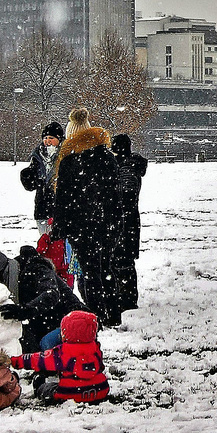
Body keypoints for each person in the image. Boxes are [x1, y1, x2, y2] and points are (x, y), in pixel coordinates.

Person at [52, 109, 131, 325]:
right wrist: (116, 223)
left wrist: (59, 227)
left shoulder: (69, 162)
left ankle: (95, 316)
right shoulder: (107, 157)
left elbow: (63, 199)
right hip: (108, 224)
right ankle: (113, 315)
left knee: (89, 272)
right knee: (106, 269)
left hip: (81, 226)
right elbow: (116, 196)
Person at [11, 309, 109, 405]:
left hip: (71, 393)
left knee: (46, 388)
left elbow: (38, 359)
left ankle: (39, 386)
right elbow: (100, 367)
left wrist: (16, 361)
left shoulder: (62, 352)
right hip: (100, 389)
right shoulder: (96, 348)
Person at [0, 245, 86, 353]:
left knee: (46, 345)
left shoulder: (39, 271)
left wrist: (24, 311)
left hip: (77, 323)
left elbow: (50, 295)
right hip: (62, 320)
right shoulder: (29, 272)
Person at [103, 133, 147, 327]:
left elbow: (125, 193)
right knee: (122, 261)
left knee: (121, 261)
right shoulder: (131, 166)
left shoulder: (125, 166)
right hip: (127, 221)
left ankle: (126, 300)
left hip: (122, 221)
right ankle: (125, 298)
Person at [19, 120, 64, 224]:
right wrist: (27, 176)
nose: (47, 141)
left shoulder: (65, 155)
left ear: (59, 139)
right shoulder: (38, 156)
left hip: (61, 210)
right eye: (45, 138)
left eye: (51, 138)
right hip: (42, 209)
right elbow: (31, 185)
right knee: (44, 239)